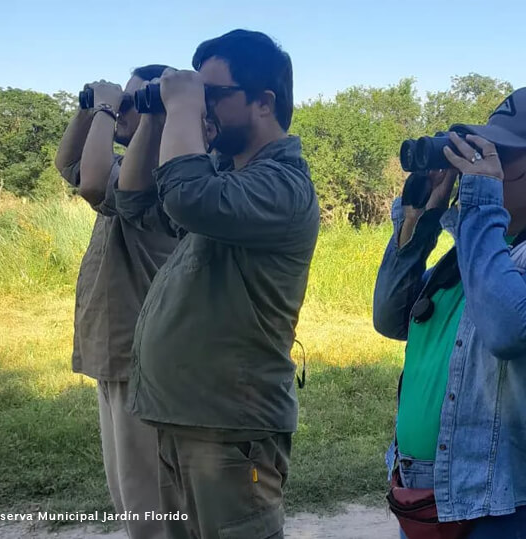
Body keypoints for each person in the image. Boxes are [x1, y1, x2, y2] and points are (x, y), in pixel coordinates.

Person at [374, 88, 526, 539]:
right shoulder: (478, 245)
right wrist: (419, 219)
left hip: (504, 506)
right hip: (424, 492)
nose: (486, 164)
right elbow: (391, 319)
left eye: (503, 153)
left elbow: (508, 329)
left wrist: (481, 206)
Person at [114, 30, 319, 539]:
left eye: (211, 96)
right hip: (184, 417)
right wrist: (159, 115)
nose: (200, 109)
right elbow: (135, 200)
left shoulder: (284, 185)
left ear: (263, 102)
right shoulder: (225, 177)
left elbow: (186, 196)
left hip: (231, 430)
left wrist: (183, 105)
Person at [53, 64, 178, 539]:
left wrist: (106, 108)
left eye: (135, 102)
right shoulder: (128, 167)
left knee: (148, 495)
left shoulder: (160, 179)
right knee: (128, 491)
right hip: (114, 349)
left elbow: (90, 184)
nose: (123, 111)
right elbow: (70, 166)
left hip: (139, 354)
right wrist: (89, 111)